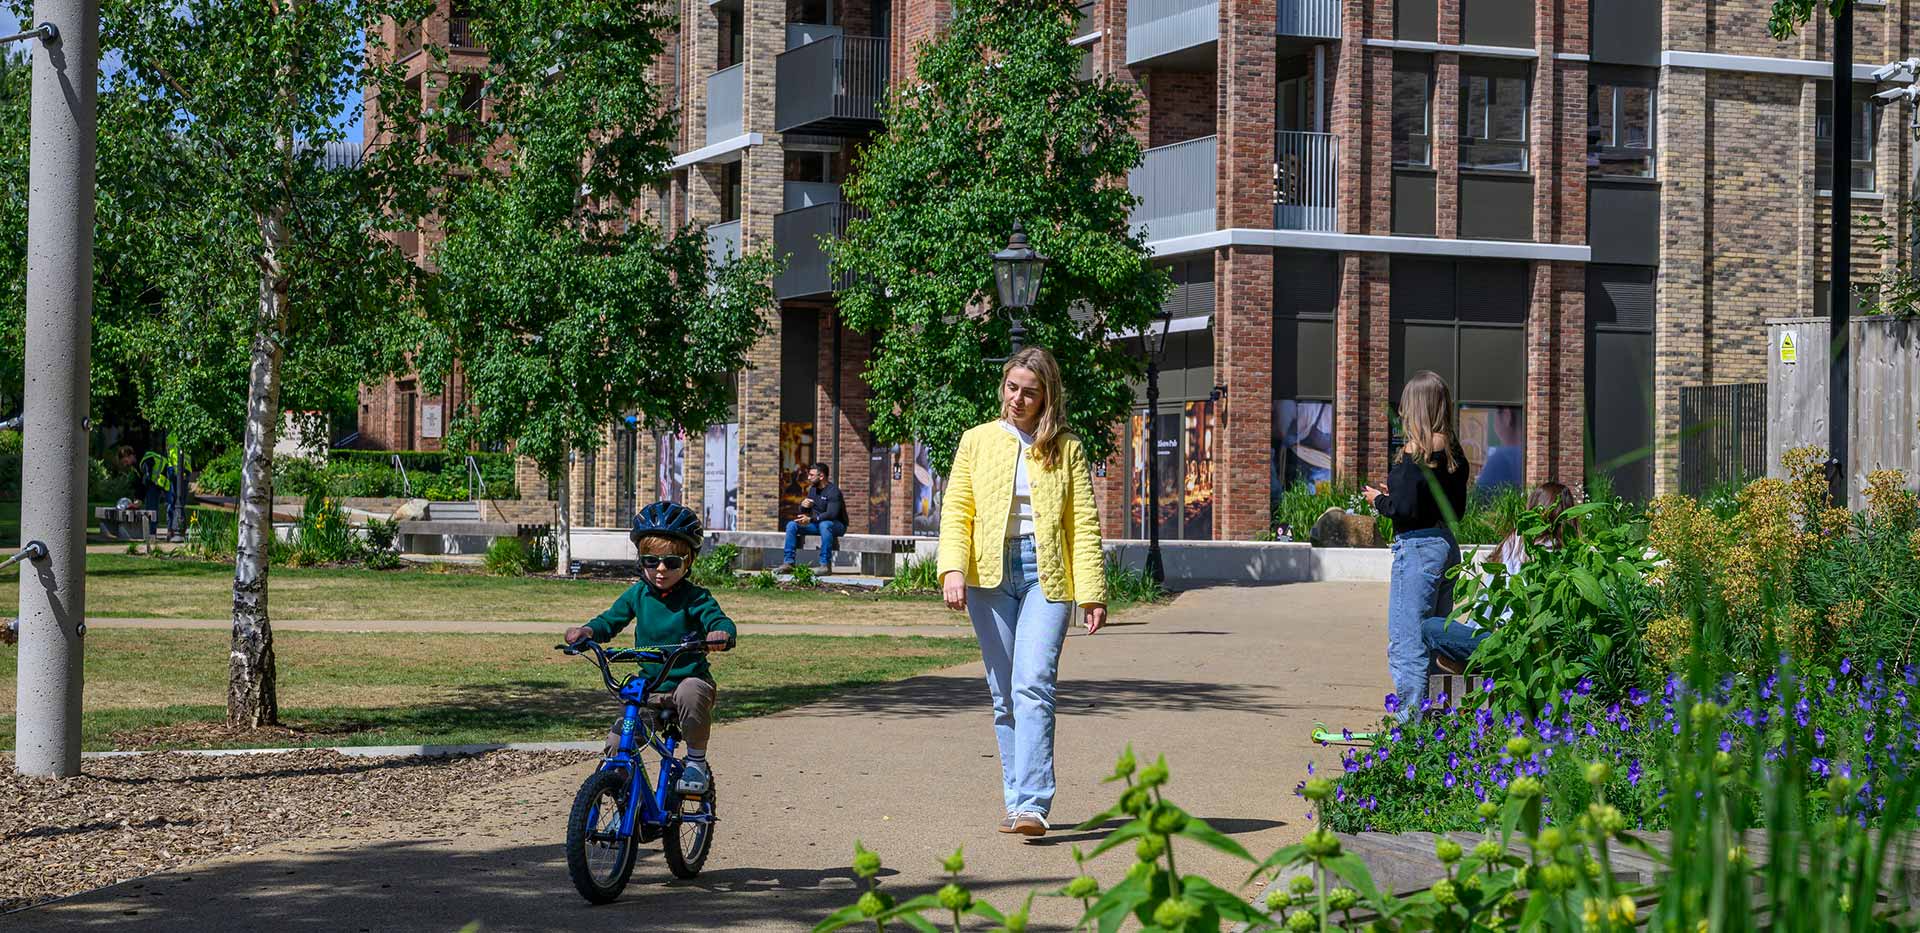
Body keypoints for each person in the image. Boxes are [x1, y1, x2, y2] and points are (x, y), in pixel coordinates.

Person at [938, 347, 1107, 839]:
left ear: (1046, 396)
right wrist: (952, 568)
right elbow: (957, 511)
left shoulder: (1068, 447)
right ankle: (1015, 803)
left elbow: (1085, 525)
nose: (1017, 398)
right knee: (1004, 695)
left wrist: (1093, 592)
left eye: (1029, 392)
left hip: (1046, 574)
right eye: (1012, 387)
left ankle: (1033, 804)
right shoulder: (977, 441)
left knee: (1033, 684)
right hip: (988, 575)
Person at [563, 501, 736, 796]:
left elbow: (717, 620)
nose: (660, 570)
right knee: (623, 728)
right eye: (650, 561)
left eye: (671, 562)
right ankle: (617, 778)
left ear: (688, 562)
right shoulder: (637, 594)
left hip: (687, 683)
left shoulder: (695, 597)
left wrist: (721, 633)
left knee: (692, 690)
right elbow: (610, 620)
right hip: (652, 688)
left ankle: (695, 762)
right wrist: (588, 631)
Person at [1363, 370, 1468, 721]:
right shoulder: (1454, 456)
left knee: (1407, 642)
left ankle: (1410, 725)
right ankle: (1437, 715)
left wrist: (1379, 500)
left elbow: (1404, 509)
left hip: (1417, 549)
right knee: (1437, 636)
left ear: (1415, 408)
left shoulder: (1413, 455)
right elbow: (1455, 510)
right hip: (1446, 547)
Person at [1423, 482, 1578, 672]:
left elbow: (1487, 601)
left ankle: (1473, 664)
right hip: (1544, 647)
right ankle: (1472, 663)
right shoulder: (1572, 553)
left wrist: (1471, 636)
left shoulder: (1517, 543)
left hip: (1507, 640)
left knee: (1430, 627)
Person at [777, 462, 847, 573]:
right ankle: (788, 563)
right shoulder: (813, 490)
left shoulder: (833, 491)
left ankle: (825, 565)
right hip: (817, 524)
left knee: (825, 524)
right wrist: (803, 506)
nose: (809, 478)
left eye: (811, 475)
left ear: (821, 476)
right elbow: (806, 510)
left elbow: (831, 514)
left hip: (836, 525)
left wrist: (811, 519)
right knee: (792, 525)